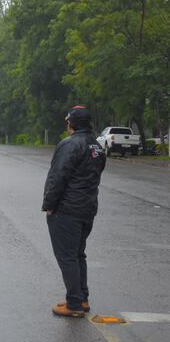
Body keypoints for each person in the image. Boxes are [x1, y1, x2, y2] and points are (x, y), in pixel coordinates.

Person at [42, 105, 106, 318]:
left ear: (71, 123)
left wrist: (49, 205)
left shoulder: (70, 145)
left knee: (67, 257)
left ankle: (74, 304)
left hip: (67, 209)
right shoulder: (97, 146)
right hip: (87, 208)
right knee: (78, 254)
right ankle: (82, 298)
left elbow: (58, 177)